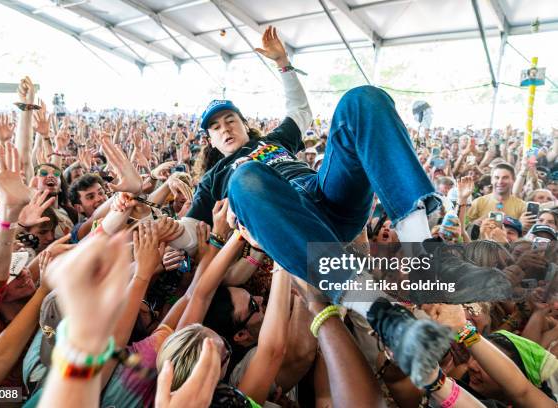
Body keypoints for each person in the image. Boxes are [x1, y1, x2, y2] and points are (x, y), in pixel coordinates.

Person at [167, 25, 452, 386]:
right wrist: (171, 232)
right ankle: (380, 313)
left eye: (230, 120)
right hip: (295, 229)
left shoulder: (273, 140)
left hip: (327, 196)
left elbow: (300, 112)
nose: (225, 128)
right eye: (215, 128)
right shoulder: (215, 177)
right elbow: (194, 232)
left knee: (362, 99)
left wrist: (284, 64)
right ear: (209, 140)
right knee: (245, 179)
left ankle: (422, 249)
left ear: (243, 124)